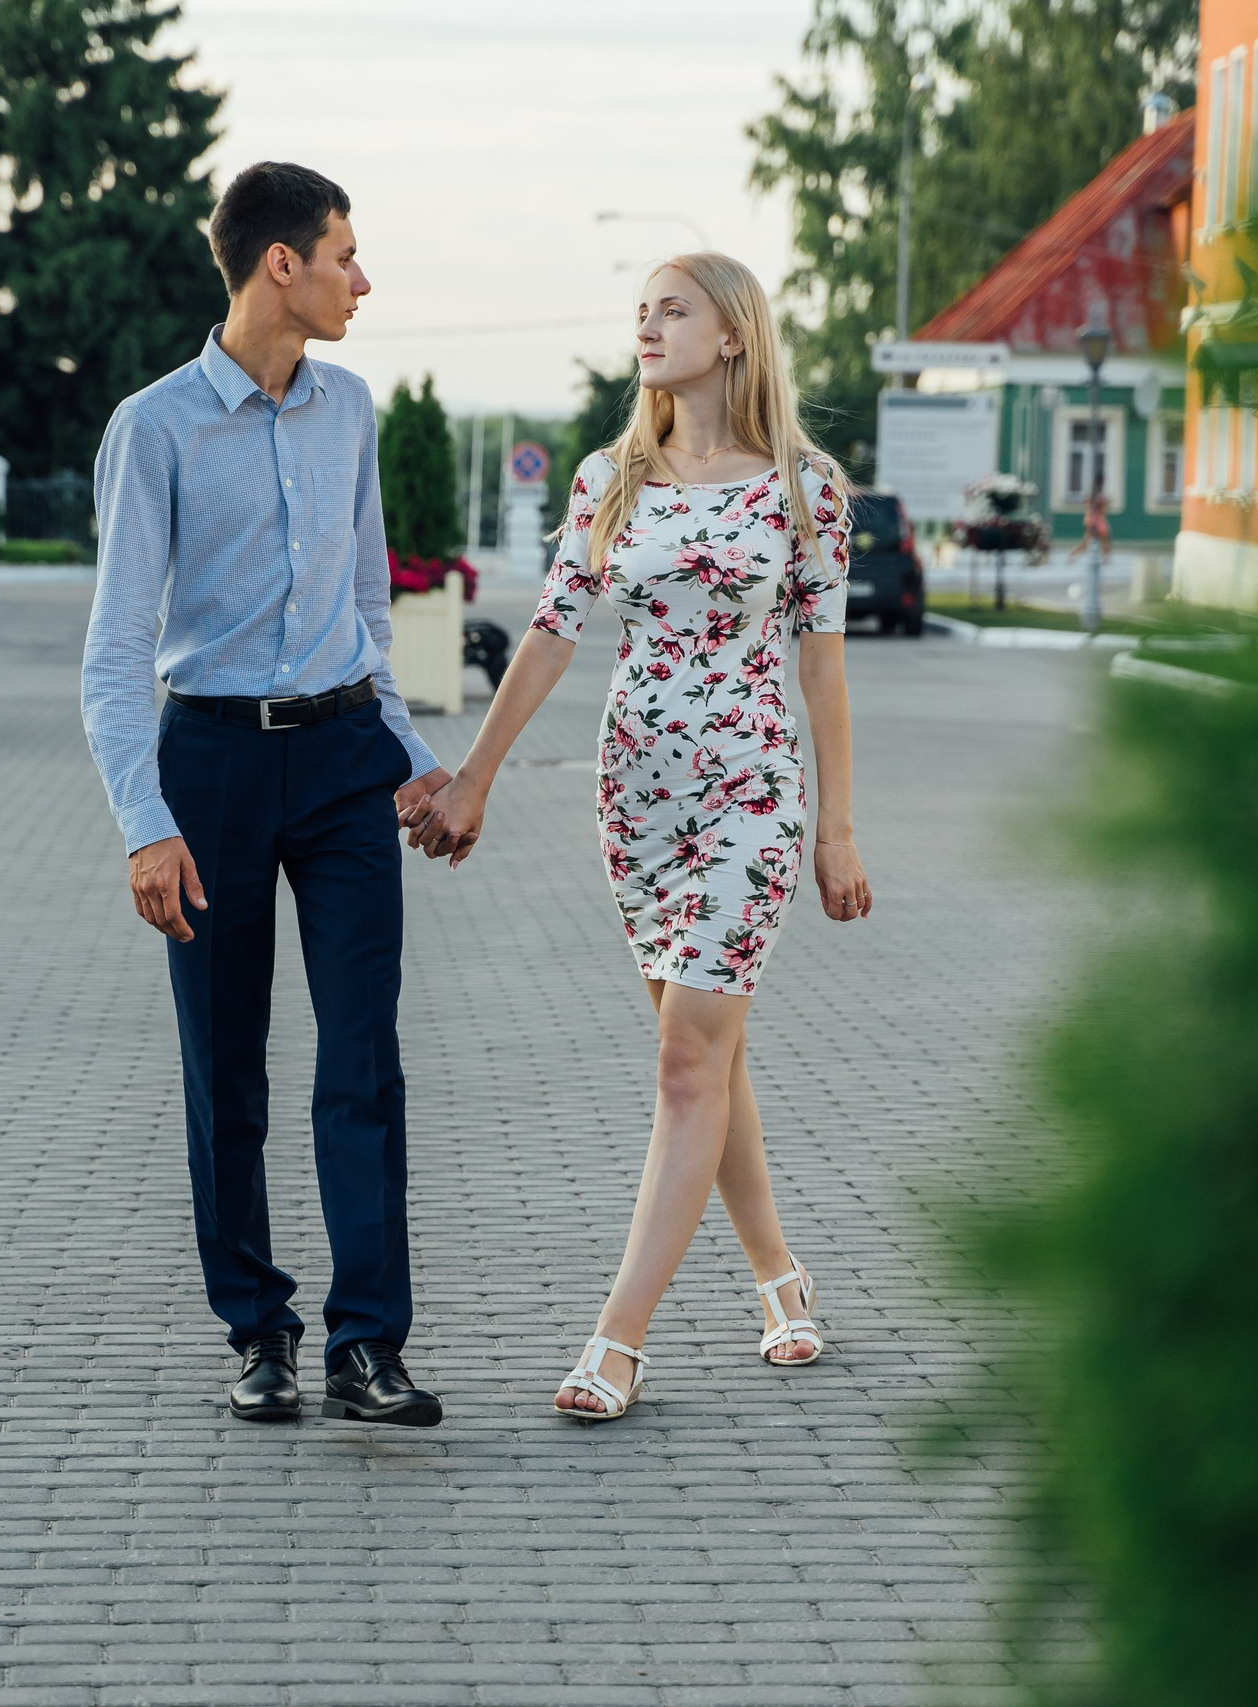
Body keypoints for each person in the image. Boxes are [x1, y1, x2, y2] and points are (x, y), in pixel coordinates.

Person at [400, 252, 873, 1422]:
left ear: (731, 336)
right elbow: (555, 633)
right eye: (641, 313)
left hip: (752, 795)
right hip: (636, 801)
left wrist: (836, 828)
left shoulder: (805, 489)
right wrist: (474, 777)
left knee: (683, 1063)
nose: (647, 329)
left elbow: (823, 663)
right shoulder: (611, 478)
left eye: (673, 311)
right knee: (704, 1057)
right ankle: (779, 1275)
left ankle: (616, 1341)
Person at [81, 162, 453, 1428]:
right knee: (223, 1070)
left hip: (346, 762)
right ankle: (257, 1328)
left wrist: (407, 764)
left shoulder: (347, 409)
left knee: (362, 1058)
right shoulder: (157, 426)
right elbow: (116, 648)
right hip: (215, 769)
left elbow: (364, 615)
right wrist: (146, 821)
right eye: (345, 253)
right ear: (279, 265)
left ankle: (369, 1344)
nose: (363, 278)